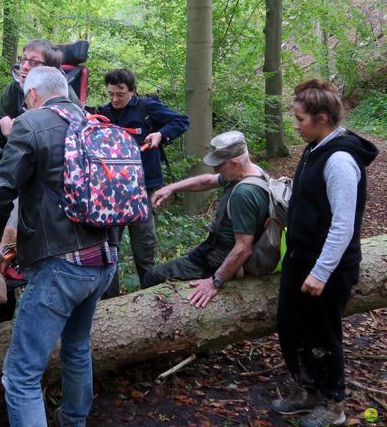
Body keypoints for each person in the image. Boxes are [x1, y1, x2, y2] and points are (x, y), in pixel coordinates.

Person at [0, 66, 117, 427]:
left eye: (26, 98)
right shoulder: (94, 123)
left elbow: (0, 191)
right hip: (104, 259)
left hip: (61, 266)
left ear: (34, 95)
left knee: (21, 376)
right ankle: (73, 420)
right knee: (76, 348)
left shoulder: (32, 123)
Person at [271, 79, 377, 427]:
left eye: (300, 119)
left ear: (322, 118)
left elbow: (343, 224)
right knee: (290, 327)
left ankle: (334, 407)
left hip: (328, 268)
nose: (296, 125)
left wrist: (322, 271)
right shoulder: (315, 147)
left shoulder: (341, 158)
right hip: (300, 259)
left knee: (322, 334)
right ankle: (306, 391)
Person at [143, 131, 269, 308]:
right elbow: (207, 181)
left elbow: (243, 248)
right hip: (212, 249)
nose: (215, 169)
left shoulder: (243, 193)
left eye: (218, 165)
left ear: (233, 163)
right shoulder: (253, 173)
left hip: (217, 259)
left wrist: (214, 282)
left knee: (151, 277)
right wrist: (171, 188)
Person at [100, 68, 190, 296]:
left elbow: (182, 121)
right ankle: (109, 304)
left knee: (144, 246)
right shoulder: (102, 114)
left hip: (143, 189)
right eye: (110, 94)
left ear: (131, 90)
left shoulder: (146, 107)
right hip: (112, 193)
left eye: (120, 94)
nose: (115, 99)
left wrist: (161, 135)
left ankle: (150, 297)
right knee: (110, 250)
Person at [0, 39, 81, 149]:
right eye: (24, 59)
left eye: (34, 62)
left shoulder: (64, 94)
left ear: (49, 69)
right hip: (19, 153)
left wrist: (22, 131)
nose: (24, 66)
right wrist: (1, 128)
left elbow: (74, 140)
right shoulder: (14, 89)